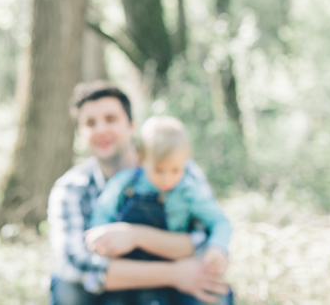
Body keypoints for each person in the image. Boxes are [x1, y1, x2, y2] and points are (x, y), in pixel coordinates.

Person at [47, 82, 230, 305]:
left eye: (110, 119)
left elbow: (208, 237)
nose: (101, 129)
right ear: (81, 132)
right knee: (65, 286)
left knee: (212, 290)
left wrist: (135, 236)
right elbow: (74, 262)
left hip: (176, 285)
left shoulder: (181, 170)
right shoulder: (71, 188)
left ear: (131, 125)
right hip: (115, 286)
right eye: (90, 123)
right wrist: (174, 272)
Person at [89, 116, 232, 305]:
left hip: (175, 264)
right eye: (159, 170)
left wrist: (217, 248)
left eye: (175, 170)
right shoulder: (126, 184)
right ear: (142, 159)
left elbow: (219, 221)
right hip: (130, 269)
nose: (167, 179)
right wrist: (102, 241)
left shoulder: (188, 190)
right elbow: (102, 212)